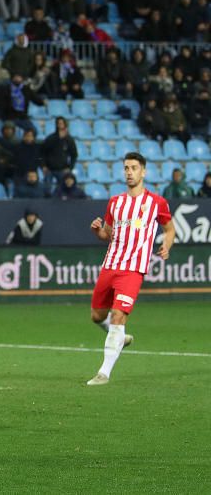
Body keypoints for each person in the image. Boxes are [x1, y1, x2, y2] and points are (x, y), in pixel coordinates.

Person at [86, 152, 174, 385]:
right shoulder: (115, 203)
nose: (129, 172)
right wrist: (98, 232)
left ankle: (104, 372)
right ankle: (120, 338)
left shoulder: (156, 203)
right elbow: (108, 233)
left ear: (143, 172)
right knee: (96, 316)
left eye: (134, 168)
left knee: (118, 315)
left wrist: (166, 245)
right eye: (126, 168)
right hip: (110, 264)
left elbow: (170, 229)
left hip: (133, 270)